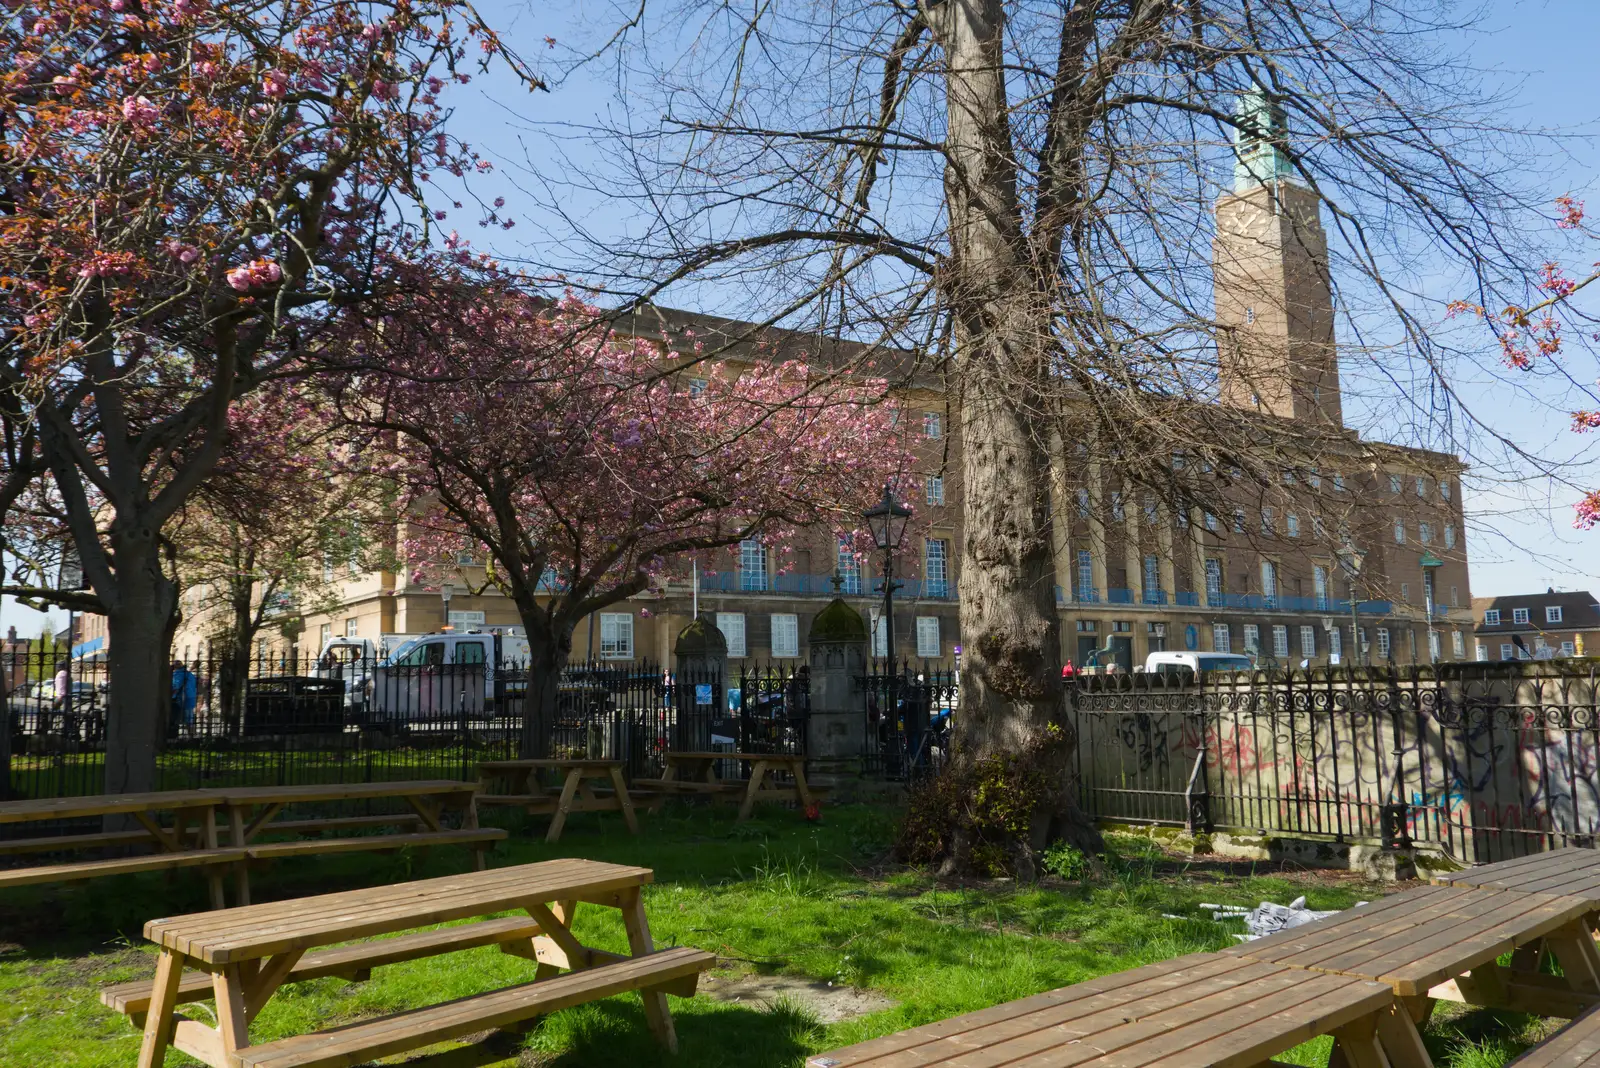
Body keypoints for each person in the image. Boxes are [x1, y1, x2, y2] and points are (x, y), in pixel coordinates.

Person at [170, 660, 198, 735]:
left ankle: (174, 735)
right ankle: (192, 735)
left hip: (180, 698)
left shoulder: (177, 674)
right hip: (191, 698)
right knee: (189, 718)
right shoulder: (190, 674)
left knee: (175, 718)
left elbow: (175, 686)